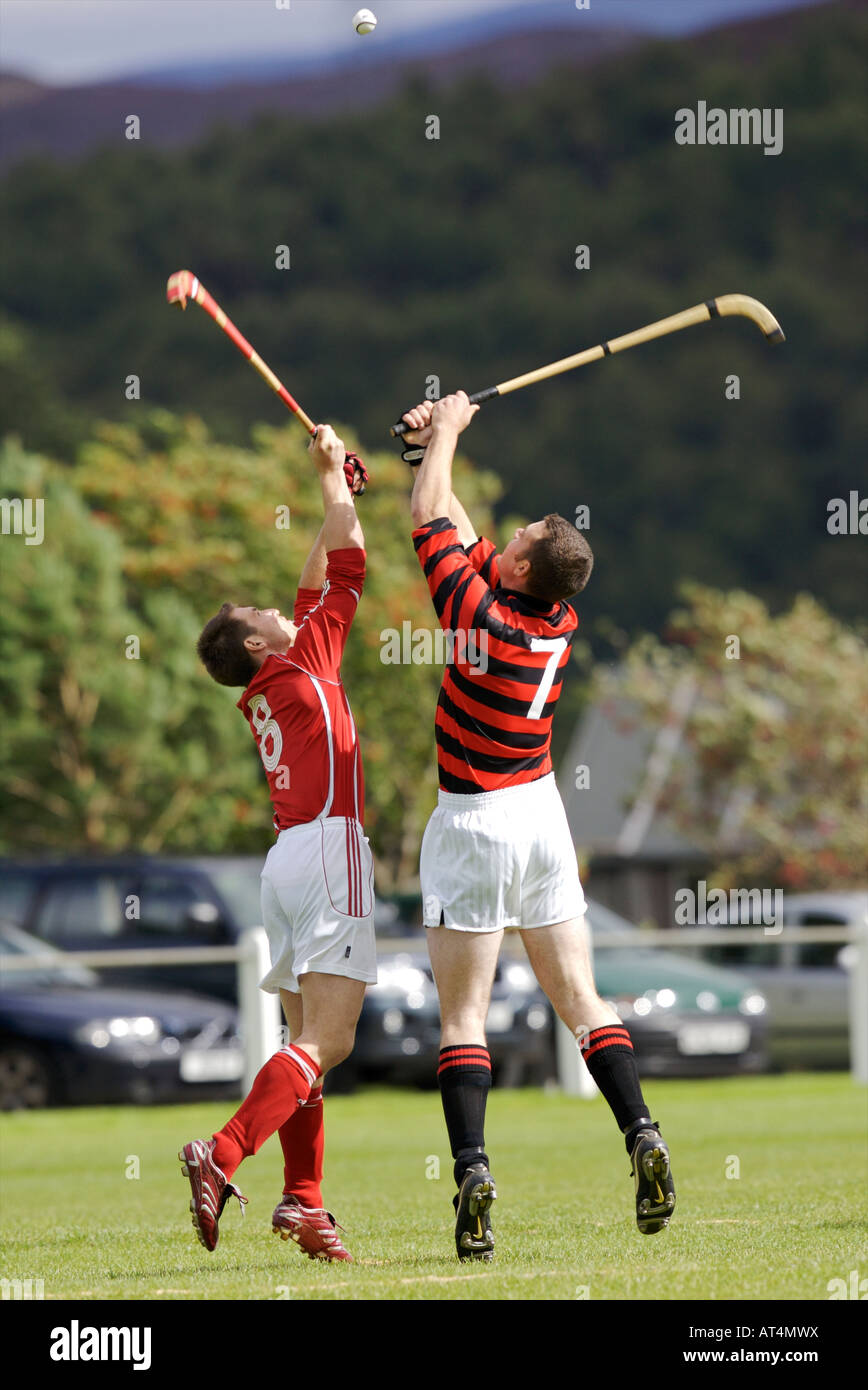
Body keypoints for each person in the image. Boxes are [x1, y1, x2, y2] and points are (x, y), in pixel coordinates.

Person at [400, 393, 676, 1261]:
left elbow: (428, 529)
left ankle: (474, 1171)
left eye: (519, 539)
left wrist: (443, 439)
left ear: (518, 572)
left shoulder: (479, 619)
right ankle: (641, 1133)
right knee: (582, 1001)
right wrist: (425, 454)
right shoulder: (552, 614)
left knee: (464, 1017)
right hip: (543, 819)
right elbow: (458, 528)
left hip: (474, 824)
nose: (508, 537)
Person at [179, 426, 373, 1263]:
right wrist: (335, 483)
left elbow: (314, 580)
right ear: (259, 644)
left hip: (287, 863)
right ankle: (221, 1155)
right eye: (258, 615)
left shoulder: (284, 672)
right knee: (330, 1042)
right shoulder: (306, 665)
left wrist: (339, 497)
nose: (275, 607)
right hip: (328, 852)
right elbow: (351, 568)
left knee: (304, 1041)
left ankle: (304, 1201)